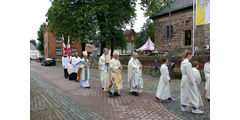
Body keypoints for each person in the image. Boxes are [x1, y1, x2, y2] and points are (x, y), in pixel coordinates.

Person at [180, 50, 204, 114]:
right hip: (188, 79)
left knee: (184, 93)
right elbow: (190, 74)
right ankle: (195, 108)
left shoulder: (182, 62)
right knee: (193, 93)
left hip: (183, 78)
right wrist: (193, 82)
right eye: (191, 55)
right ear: (188, 55)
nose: (192, 57)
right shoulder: (188, 63)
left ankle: (184, 107)